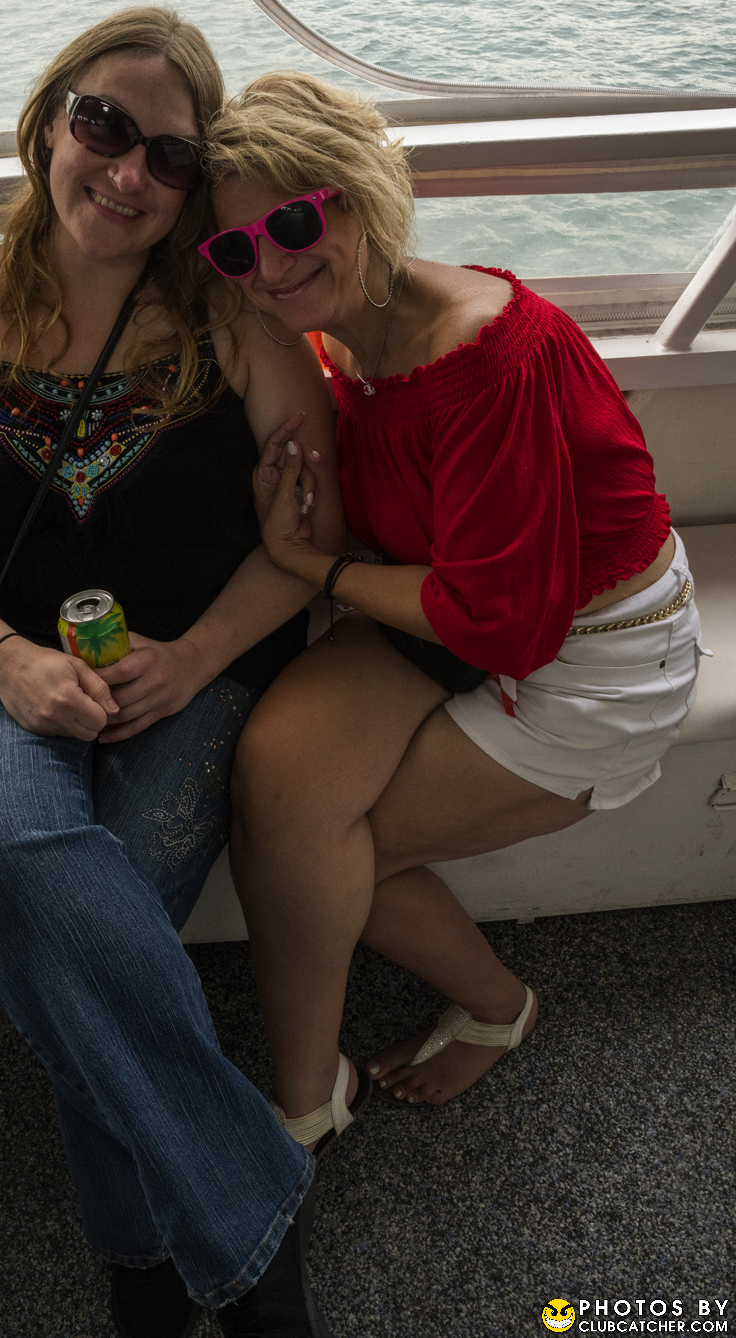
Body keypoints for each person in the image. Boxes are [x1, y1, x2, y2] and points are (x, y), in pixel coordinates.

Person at [0, 12, 343, 1338]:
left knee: (82, 919)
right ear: (50, 121)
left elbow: (311, 545)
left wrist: (195, 661)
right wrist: (5, 659)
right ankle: (253, 1217)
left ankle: (138, 1262)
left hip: (194, 666)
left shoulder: (234, 322)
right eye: (106, 126)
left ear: (192, 186)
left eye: (170, 157)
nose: (128, 172)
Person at [200, 71, 703, 1149]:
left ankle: (493, 1010)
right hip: (460, 605)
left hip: (592, 658)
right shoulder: (339, 336)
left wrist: (310, 567)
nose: (270, 267)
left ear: (359, 194)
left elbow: (506, 622)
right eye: (236, 248)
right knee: (277, 796)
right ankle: (314, 1084)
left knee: (323, 855)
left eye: (294, 224)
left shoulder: (487, 355)